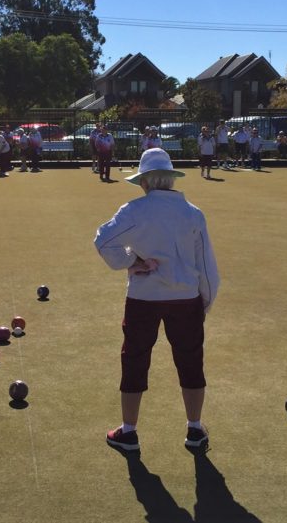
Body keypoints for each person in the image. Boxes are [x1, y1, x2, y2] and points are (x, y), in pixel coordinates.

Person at [94, 148, 220, 452]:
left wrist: (129, 262)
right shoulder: (193, 212)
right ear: (169, 177)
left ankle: (129, 432)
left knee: (134, 358)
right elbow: (206, 267)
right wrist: (204, 302)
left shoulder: (133, 210)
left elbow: (102, 241)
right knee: (191, 360)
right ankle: (194, 430)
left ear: (145, 181)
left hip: (143, 296)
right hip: (185, 297)